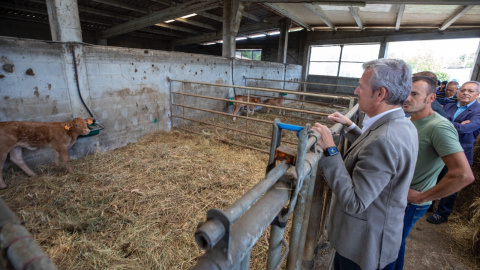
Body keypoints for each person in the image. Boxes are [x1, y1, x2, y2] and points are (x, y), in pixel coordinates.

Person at [312, 58, 418, 270]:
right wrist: (351, 127)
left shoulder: (385, 140)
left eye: (361, 86)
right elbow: (375, 154)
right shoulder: (402, 124)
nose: (355, 91)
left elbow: (356, 202)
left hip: (363, 248)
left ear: (380, 94)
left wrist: (331, 151)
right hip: (376, 236)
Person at [391, 76, 474, 269]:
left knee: (392, 245)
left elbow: (464, 174)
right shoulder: (409, 120)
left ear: (431, 98)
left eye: (414, 94)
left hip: (410, 202)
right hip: (398, 197)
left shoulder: (439, 126)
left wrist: (421, 197)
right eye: (405, 93)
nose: (407, 98)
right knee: (393, 244)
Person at [427, 81, 480, 224]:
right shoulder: (450, 105)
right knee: (435, 177)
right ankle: (429, 204)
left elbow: (467, 129)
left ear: (477, 94)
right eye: (463, 90)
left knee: (451, 181)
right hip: (440, 148)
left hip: (460, 151)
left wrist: (446, 123)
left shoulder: (478, 111)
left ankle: (442, 213)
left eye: (470, 91)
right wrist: (456, 125)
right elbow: (435, 121)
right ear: (458, 92)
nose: (465, 93)